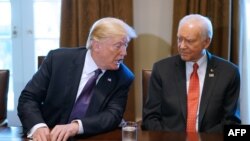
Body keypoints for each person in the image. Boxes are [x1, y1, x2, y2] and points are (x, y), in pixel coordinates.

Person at [18, 17, 137, 141]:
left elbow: (113, 116)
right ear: (96, 45)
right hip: (48, 135)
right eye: (118, 46)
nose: (124, 53)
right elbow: (28, 98)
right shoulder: (58, 60)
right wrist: (38, 126)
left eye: (125, 45)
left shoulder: (123, 77)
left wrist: (75, 127)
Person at [142, 14, 240, 133]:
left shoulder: (229, 73)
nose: (182, 46)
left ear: (206, 42)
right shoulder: (161, 69)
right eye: (179, 39)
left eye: (189, 41)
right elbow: (150, 118)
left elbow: (231, 122)